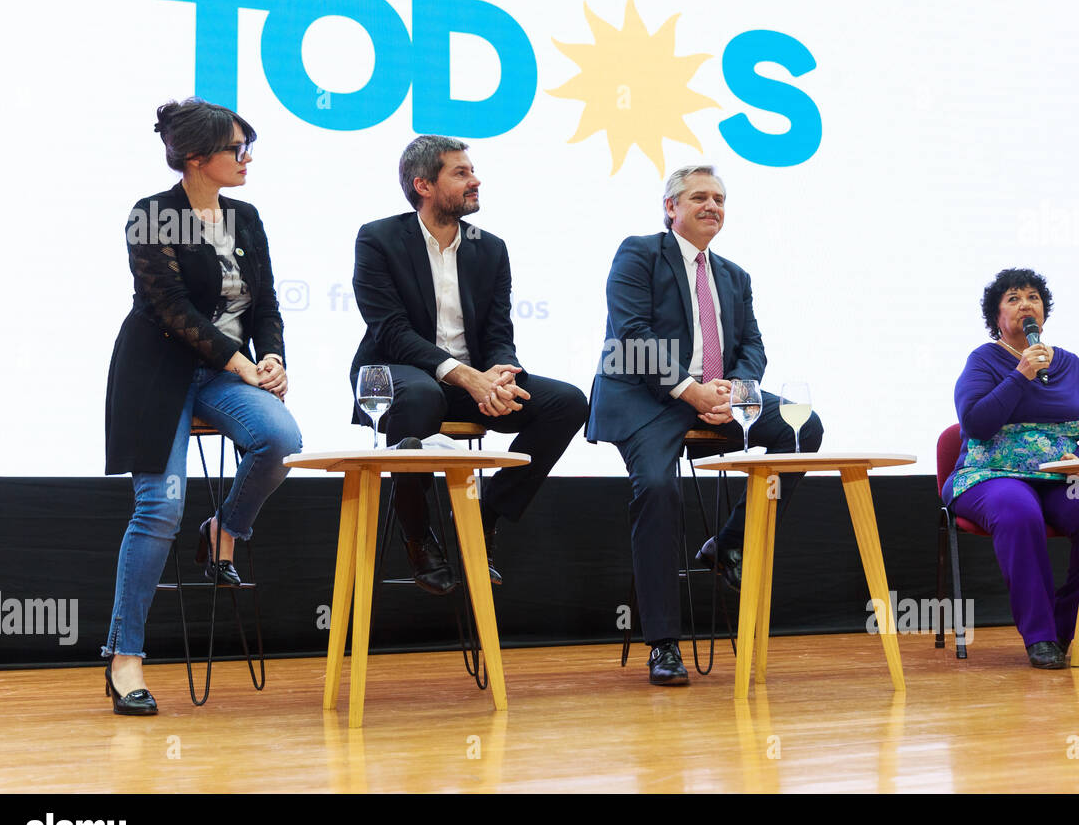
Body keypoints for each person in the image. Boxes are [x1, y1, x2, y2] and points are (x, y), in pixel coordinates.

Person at [586, 165, 824, 686]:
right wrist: (688, 390)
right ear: (670, 207)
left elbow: (752, 347)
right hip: (648, 395)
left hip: (717, 396)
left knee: (801, 430)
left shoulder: (735, 276)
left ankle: (728, 544)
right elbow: (630, 334)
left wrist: (737, 391)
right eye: (699, 198)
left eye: (719, 198)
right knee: (655, 486)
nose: (712, 206)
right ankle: (663, 643)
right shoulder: (639, 252)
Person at [103, 98, 302, 714]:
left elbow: (265, 303)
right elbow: (169, 309)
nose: (247, 159)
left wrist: (273, 359)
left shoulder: (246, 217)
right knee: (159, 509)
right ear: (196, 158)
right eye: (235, 149)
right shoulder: (153, 214)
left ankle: (226, 530)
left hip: (225, 375)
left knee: (280, 441)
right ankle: (124, 657)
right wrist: (241, 361)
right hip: (159, 372)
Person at [350, 135, 588, 594]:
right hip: (393, 374)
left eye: (472, 171)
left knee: (567, 403)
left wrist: (501, 373)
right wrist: (466, 377)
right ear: (423, 184)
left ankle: (483, 517)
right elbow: (391, 332)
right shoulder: (378, 238)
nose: (475, 180)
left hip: (471, 380)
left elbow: (499, 331)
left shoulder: (490, 247)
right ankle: (418, 537)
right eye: (460, 173)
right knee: (421, 396)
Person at [944, 268, 1079, 669]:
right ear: (997, 318)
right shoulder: (984, 361)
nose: (1026, 304)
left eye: (1033, 297)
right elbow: (975, 423)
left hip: (1060, 479)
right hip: (990, 474)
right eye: (1013, 298)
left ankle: (1065, 625)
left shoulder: (1071, 364)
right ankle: (1039, 635)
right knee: (1017, 509)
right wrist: (1021, 374)